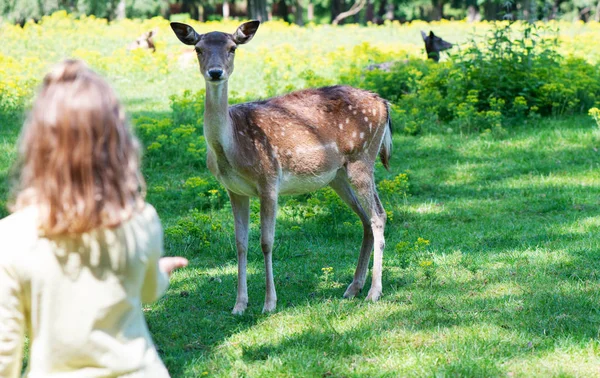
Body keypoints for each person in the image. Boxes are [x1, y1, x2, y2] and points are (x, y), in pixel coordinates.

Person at [0, 59, 188, 378]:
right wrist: (160, 271)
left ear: (38, 145)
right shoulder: (140, 220)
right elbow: (146, 291)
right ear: (117, 143)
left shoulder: (11, 237)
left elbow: (5, 353)